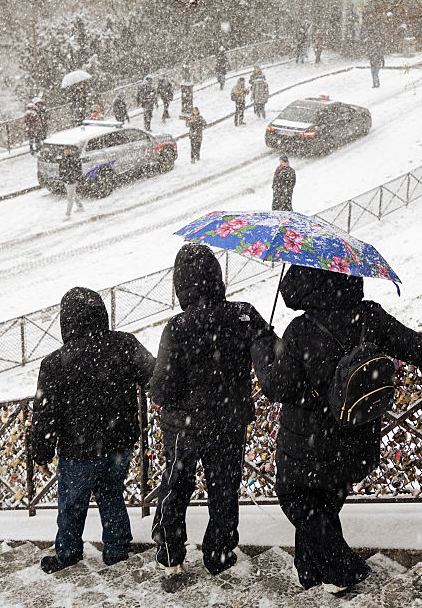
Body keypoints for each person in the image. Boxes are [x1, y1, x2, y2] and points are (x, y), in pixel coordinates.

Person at [252, 266, 422, 593]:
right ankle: (312, 575)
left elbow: (276, 386)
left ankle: (342, 570)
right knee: (324, 505)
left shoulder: (300, 329)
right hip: (356, 441)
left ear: (307, 284)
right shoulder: (370, 316)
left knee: (296, 499)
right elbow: (420, 349)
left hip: (309, 445)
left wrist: (262, 343)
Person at [150, 244, 274, 591]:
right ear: (217, 278)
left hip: (183, 428)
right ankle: (219, 553)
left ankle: (171, 557)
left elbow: (162, 389)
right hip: (229, 422)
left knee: (175, 488)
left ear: (180, 286)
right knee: (224, 489)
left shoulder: (177, 328)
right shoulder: (243, 314)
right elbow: (272, 354)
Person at [29, 286, 155, 574]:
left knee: (72, 504)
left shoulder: (54, 363)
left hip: (78, 450)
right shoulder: (124, 344)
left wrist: (42, 450)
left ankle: (68, 553)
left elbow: (44, 414)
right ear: (102, 314)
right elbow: (154, 376)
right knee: (111, 492)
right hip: (120, 442)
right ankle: (117, 548)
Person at [59, 146, 85, 219]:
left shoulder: (74, 159)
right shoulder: (63, 159)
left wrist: (78, 179)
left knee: (70, 198)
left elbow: (79, 170)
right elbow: (60, 169)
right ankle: (80, 206)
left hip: (72, 181)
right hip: (66, 181)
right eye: (65, 151)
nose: (66, 152)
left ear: (71, 151)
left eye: (68, 151)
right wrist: (62, 177)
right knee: (74, 194)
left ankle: (68, 214)